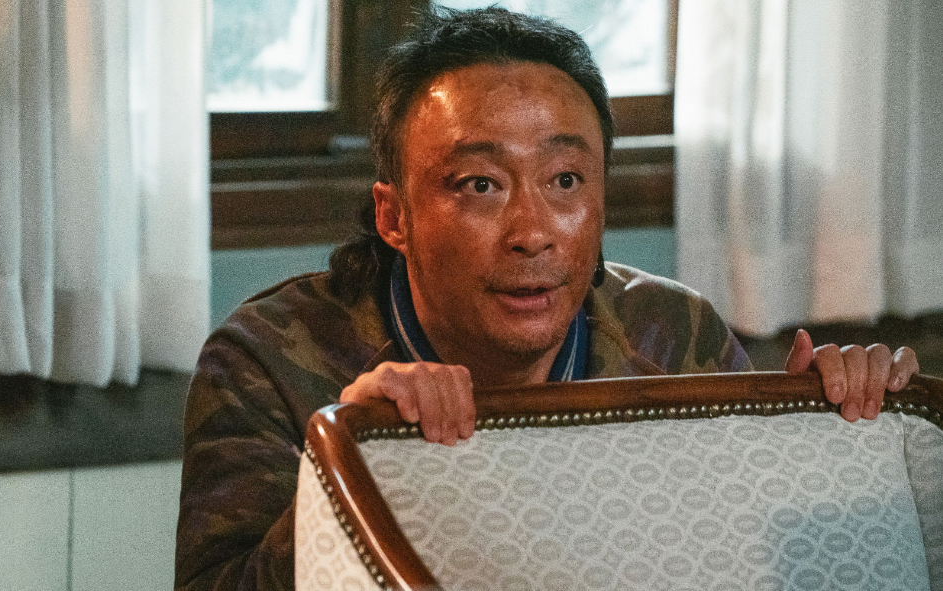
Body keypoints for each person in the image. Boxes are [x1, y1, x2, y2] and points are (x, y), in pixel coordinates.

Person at [174, 7, 919, 590]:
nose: (533, 233)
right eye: (480, 185)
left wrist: (819, 445)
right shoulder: (266, 361)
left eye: (565, 180)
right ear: (393, 216)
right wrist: (356, 460)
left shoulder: (672, 334)